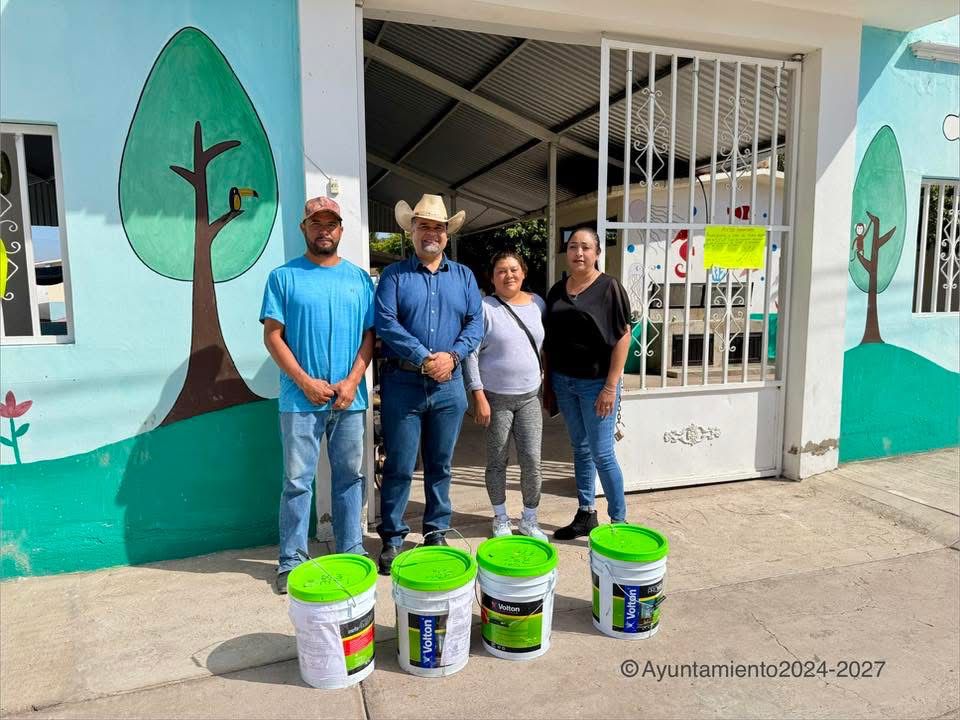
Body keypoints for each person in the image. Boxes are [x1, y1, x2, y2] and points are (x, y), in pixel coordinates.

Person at [260, 196, 375, 594]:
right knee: (297, 482)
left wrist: (352, 381)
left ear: (340, 230)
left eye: (331, 224)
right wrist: (305, 382)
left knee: (350, 478)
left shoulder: (359, 280)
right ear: (304, 228)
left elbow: (369, 336)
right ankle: (291, 560)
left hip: (349, 399)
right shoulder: (283, 278)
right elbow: (273, 337)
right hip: (299, 401)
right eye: (316, 223)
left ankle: (351, 550)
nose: (324, 230)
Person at [374, 194, 483, 574]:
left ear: (447, 235)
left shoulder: (464, 277)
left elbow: (475, 323)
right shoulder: (394, 276)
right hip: (403, 383)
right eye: (424, 226)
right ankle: (392, 537)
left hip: (449, 384)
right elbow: (386, 323)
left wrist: (451, 357)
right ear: (412, 232)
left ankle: (436, 529)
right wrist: (425, 357)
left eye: (438, 227)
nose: (431, 233)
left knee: (441, 464)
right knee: (399, 465)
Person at [542, 227, 632, 539]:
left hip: (597, 385)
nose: (578, 253)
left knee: (602, 453)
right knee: (579, 448)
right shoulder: (557, 290)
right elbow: (549, 339)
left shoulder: (609, 288)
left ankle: (619, 522)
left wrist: (610, 386)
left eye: (585, 247)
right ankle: (586, 513)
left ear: (596, 253)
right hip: (564, 382)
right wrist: (549, 382)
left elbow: (623, 337)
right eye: (572, 247)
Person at [463, 251, 547, 540]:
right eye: (501, 271)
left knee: (532, 460)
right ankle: (500, 517)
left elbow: (544, 345)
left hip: (529, 397)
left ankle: (530, 519)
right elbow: (471, 354)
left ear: (523, 272)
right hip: (496, 399)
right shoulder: (484, 308)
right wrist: (478, 395)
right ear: (492, 277)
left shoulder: (538, 304)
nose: (508, 275)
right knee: (497, 460)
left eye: (513, 269)